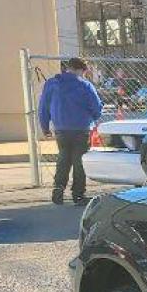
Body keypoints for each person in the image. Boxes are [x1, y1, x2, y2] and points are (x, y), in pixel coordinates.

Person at [37, 57, 103, 205]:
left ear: (68, 67)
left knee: (63, 158)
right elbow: (97, 108)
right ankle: (78, 194)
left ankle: (58, 189)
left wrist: (45, 127)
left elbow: (44, 107)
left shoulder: (52, 84)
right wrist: (94, 117)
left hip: (61, 128)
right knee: (79, 162)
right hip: (81, 129)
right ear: (82, 70)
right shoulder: (85, 85)